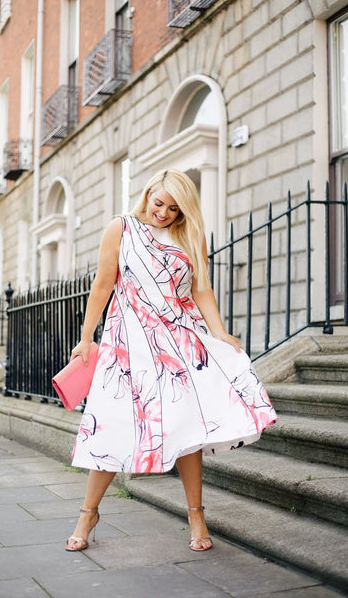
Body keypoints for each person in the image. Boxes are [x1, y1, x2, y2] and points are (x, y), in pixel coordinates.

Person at [66, 169, 277, 553]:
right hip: (126, 343)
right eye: (158, 202)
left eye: (174, 209)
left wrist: (219, 332)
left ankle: (196, 517)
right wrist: (85, 338)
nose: (163, 213)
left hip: (180, 342)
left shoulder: (189, 236)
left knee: (187, 429)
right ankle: (88, 513)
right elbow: (102, 284)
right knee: (111, 425)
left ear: (184, 211)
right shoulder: (122, 227)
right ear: (147, 194)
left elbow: (202, 291)